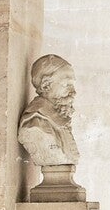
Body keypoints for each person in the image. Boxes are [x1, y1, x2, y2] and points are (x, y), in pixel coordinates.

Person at [17, 54, 83, 198]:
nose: (74, 92)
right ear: (46, 85)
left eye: (73, 85)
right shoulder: (35, 123)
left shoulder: (60, 120)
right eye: (67, 85)